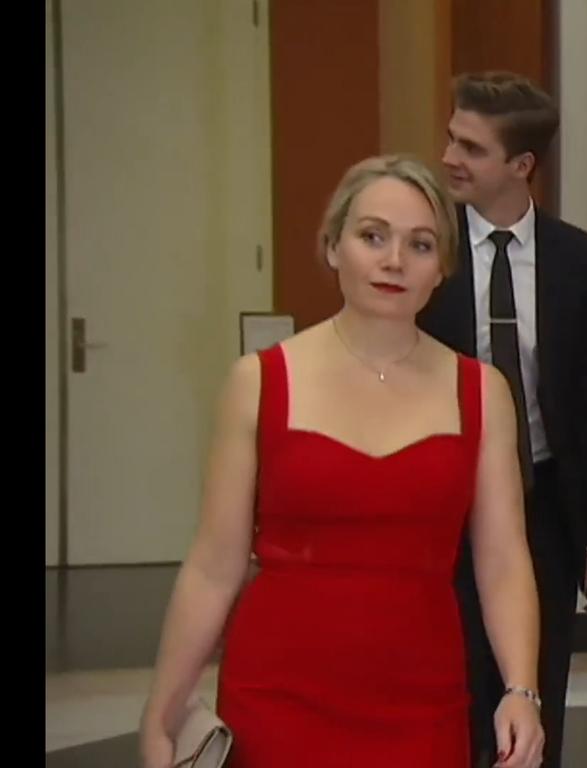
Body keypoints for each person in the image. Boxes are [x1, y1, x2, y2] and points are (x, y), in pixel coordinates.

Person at [139, 155, 545, 768]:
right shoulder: (259, 382)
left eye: (420, 244)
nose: (393, 261)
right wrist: (161, 712)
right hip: (277, 694)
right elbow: (213, 566)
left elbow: (503, 558)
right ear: (333, 247)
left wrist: (521, 689)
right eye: (372, 236)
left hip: (421, 694)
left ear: (442, 269)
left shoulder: (481, 391)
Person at [418, 71, 587, 767]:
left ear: (521, 166)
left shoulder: (581, 261)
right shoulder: (425, 252)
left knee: (535, 687)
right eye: (451, 138)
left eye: (471, 148)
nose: (450, 157)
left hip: (543, 505)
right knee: (447, 687)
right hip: (439, 501)